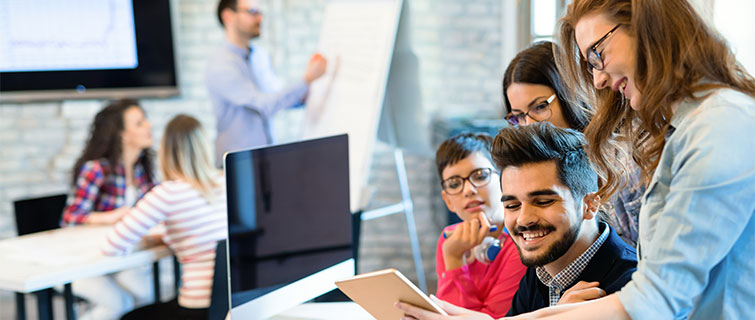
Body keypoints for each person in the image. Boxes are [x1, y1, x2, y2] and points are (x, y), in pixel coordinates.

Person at [397, 123, 637, 319]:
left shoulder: (632, 285)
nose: (523, 219)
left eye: (543, 201)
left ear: (590, 205)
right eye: (512, 205)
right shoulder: (540, 271)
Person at [503, 40, 643, 247]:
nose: (530, 125)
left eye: (540, 107)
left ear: (569, 95)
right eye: (518, 117)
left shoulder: (622, 160)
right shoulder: (536, 170)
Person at [103, 115, 228, 320]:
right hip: (230, 307)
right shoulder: (226, 181)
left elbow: (113, 246)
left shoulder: (168, 193)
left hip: (196, 309)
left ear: (167, 151)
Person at [62, 99, 157, 320]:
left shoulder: (141, 168)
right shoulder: (96, 169)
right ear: (123, 134)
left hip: (122, 255)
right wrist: (110, 217)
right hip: (86, 260)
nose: (149, 126)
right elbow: (70, 218)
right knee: (117, 304)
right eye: (139, 123)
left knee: (144, 295)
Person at [206, 0, 327, 165]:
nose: (260, 18)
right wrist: (306, 80)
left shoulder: (259, 56)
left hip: (265, 158)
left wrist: (301, 97)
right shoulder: (221, 65)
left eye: (259, 12)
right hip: (238, 164)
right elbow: (264, 105)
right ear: (228, 17)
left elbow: (275, 94)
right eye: (252, 12)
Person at [434, 132, 527, 317]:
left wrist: (453, 259)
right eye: (454, 184)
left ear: (504, 179)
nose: (468, 190)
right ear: (448, 200)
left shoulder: (523, 240)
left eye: (480, 175)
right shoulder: (449, 238)